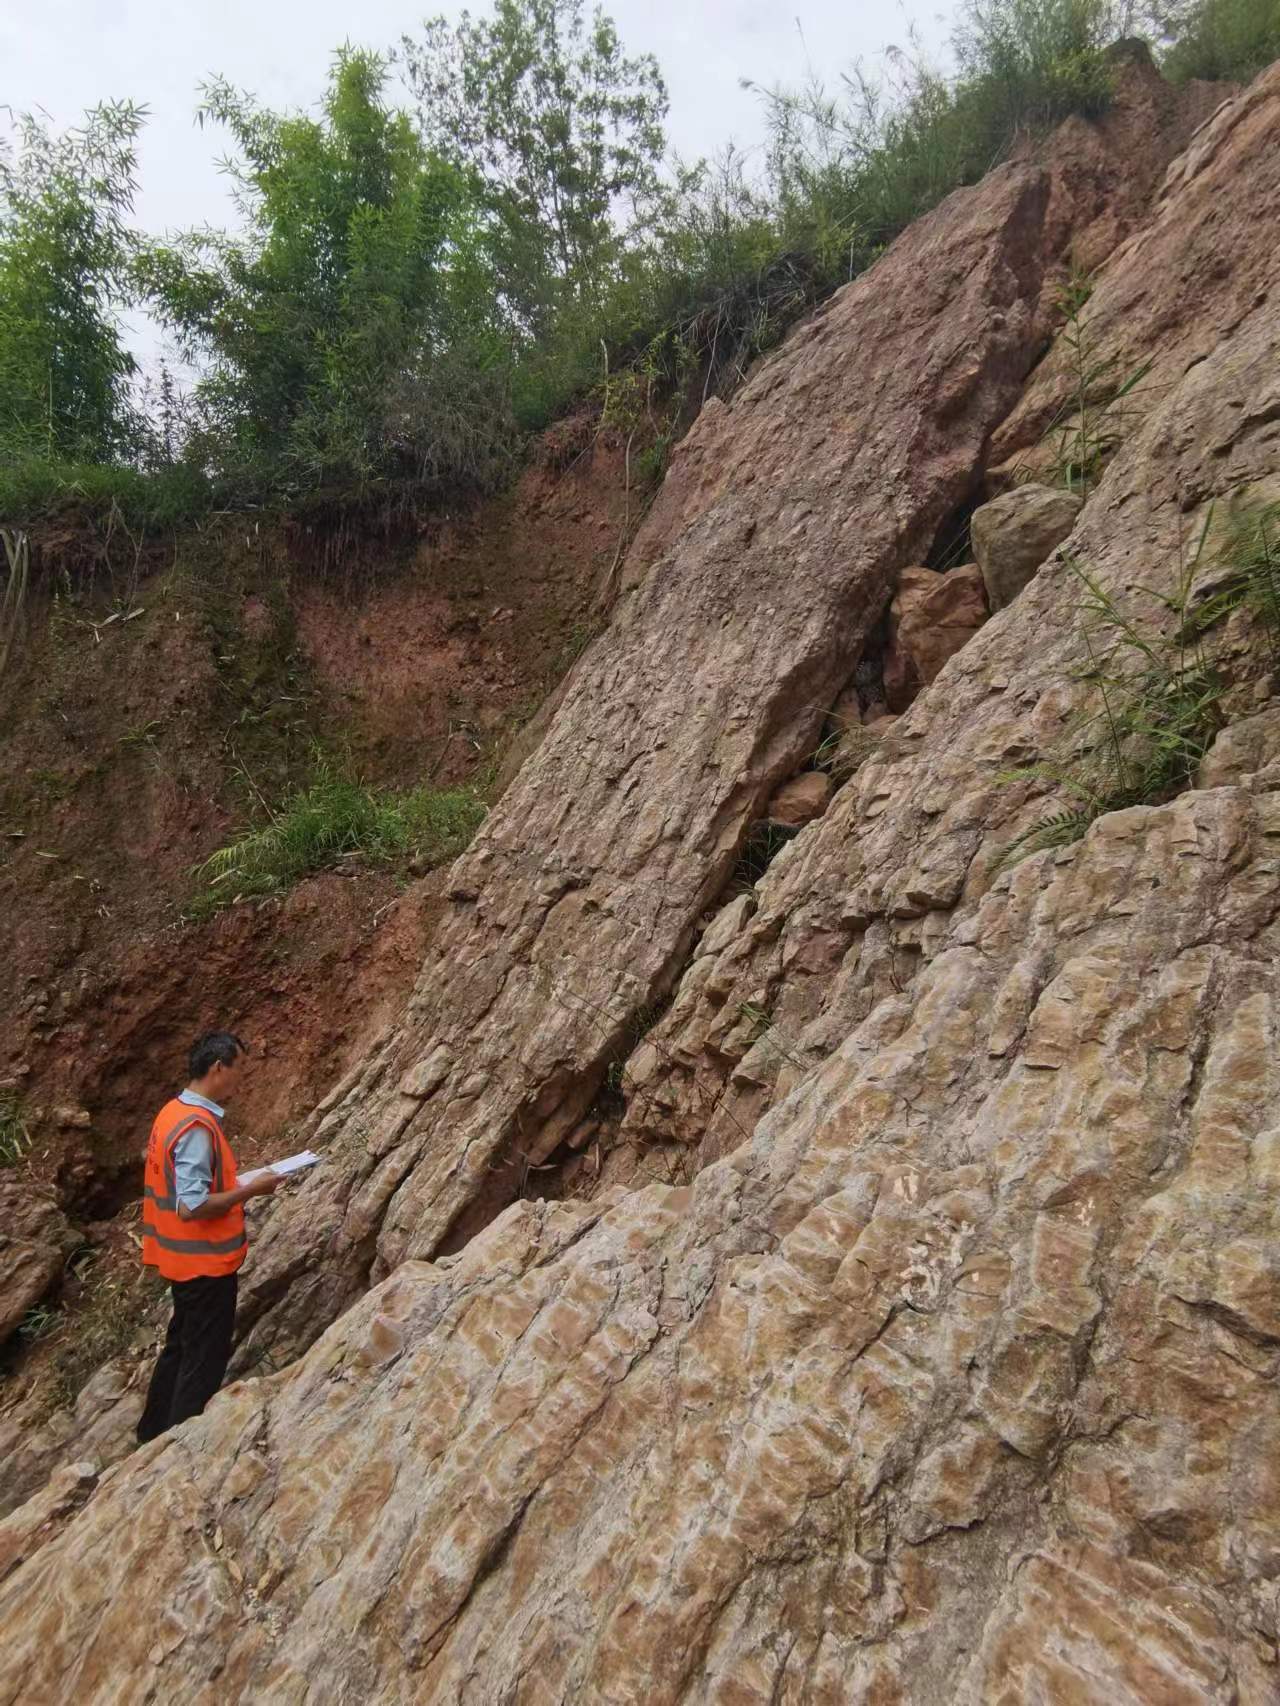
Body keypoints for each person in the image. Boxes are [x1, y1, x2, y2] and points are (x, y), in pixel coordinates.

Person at [136, 1031, 281, 1444]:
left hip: (180, 1260)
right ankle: (177, 1447)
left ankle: (151, 1435)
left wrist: (237, 1181)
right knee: (203, 1359)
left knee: (180, 1346)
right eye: (238, 1069)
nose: (240, 1079)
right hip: (204, 1265)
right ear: (218, 1067)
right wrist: (252, 1189)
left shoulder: (172, 1112)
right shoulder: (197, 1127)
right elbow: (193, 1205)